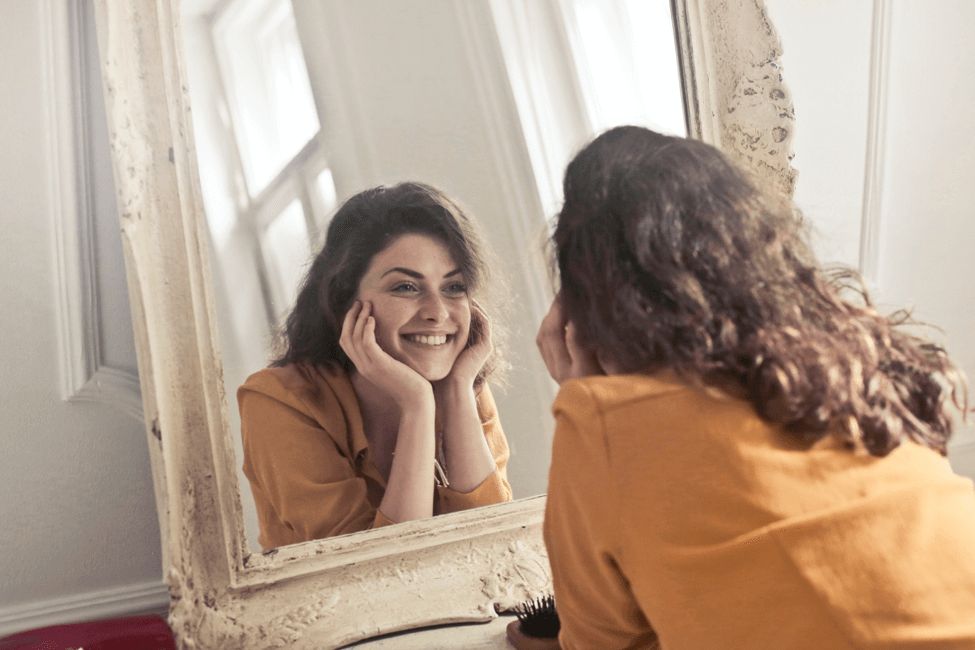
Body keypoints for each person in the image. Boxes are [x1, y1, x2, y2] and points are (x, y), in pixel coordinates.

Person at [535, 126, 975, 649]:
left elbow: (602, 644)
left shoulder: (603, 425)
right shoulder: (853, 358)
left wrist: (583, 395)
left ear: (584, 312)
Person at [238, 182, 512, 550]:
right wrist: (417, 406)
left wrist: (458, 393)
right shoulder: (278, 401)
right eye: (405, 287)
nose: (437, 312)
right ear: (344, 301)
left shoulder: (462, 384)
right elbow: (374, 572)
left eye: (454, 287)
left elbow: (494, 547)